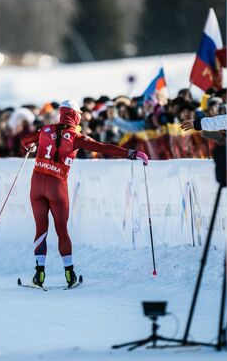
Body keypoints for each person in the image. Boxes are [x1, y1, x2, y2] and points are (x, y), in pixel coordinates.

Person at [20, 100, 148, 289]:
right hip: (57, 185)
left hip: (37, 184)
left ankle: (39, 275)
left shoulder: (45, 130)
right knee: (62, 231)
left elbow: (24, 141)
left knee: (41, 229)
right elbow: (104, 147)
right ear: (76, 116)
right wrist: (131, 153)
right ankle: (69, 274)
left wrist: (30, 147)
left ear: (62, 114)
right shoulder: (76, 137)